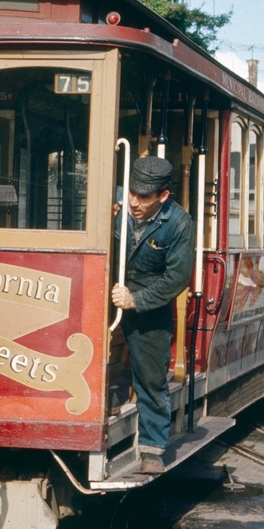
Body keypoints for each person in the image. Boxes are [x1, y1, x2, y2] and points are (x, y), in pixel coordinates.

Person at [111, 156, 194, 475]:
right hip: (110, 286)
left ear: (162, 196)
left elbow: (177, 278)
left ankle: (152, 450)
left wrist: (136, 300)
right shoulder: (118, 201)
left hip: (150, 303)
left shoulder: (180, 224)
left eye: (143, 197)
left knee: (150, 377)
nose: (134, 202)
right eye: (131, 192)